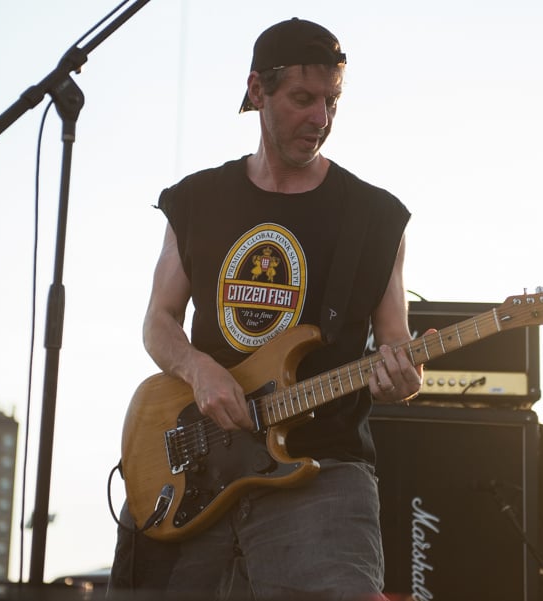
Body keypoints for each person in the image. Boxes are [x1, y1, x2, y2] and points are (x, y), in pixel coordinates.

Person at [109, 17, 422, 600]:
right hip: (195, 466)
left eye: (332, 101)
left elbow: (395, 342)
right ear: (257, 91)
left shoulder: (376, 219)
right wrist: (200, 371)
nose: (321, 119)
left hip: (322, 472)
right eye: (303, 99)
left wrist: (402, 378)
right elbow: (159, 322)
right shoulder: (198, 200)